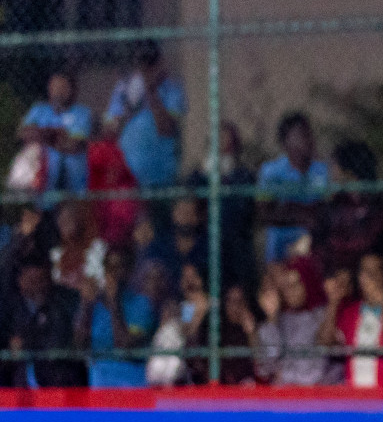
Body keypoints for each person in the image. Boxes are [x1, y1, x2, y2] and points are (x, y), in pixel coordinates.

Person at [184, 120, 258, 292]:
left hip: (236, 247)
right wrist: (206, 174)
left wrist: (225, 178)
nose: (221, 145)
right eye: (216, 139)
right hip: (205, 245)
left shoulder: (243, 176)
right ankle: (191, 315)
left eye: (227, 140)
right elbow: (191, 207)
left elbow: (245, 211)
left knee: (237, 290)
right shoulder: (198, 177)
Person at [320, 254, 383, 387]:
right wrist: (333, 303)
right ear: (359, 278)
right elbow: (325, 344)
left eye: (376, 272)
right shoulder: (350, 312)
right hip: (358, 399)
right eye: (366, 272)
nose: (371, 278)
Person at [104, 40, 186, 191]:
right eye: (140, 63)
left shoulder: (172, 88)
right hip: (126, 177)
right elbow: (110, 130)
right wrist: (130, 103)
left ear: (160, 62)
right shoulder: (123, 88)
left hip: (159, 176)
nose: (144, 69)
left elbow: (166, 129)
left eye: (150, 62)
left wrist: (151, 91)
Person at [256, 111, 331, 262]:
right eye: (300, 135)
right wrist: (301, 216)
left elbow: (327, 207)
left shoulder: (322, 170)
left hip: (314, 245)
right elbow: (264, 212)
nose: (308, 140)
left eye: (308, 134)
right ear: (285, 141)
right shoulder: (271, 171)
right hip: (281, 247)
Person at [6, 251, 87, 388]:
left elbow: (58, 345)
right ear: (20, 281)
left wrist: (25, 342)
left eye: (42, 280)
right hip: (21, 390)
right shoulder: (10, 308)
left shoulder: (62, 305)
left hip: (57, 386)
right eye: (32, 281)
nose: (38, 286)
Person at [316, 141, 383, 277]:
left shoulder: (379, 204)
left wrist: (334, 247)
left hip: (368, 272)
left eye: (335, 166)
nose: (332, 171)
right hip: (336, 273)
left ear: (349, 170)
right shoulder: (336, 204)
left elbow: (367, 243)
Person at [81, 246, 155, 388]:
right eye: (110, 268)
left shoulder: (141, 304)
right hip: (100, 385)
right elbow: (79, 345)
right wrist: (86, 305)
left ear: (129, 271)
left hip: (131, 385)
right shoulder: (95, 305)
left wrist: (114, 303)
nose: (114, 274)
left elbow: (126, 345)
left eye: (118, 267)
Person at [254, 258, 330, 386]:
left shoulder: (321, 315)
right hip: (284, 397)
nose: (290, 292)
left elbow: (319, 368)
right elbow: (267, 366)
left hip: (313, 395)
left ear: (307, 283)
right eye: (286, 286)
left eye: (296, 285)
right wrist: (272, 319)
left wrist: (284, 375)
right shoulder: (279, 319)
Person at [18, 70, 92, 198]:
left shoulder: (82, 113)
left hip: (72, 184)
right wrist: (56, 136)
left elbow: (74, 145)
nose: (58, 92)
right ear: (49, 89)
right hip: (40, 181)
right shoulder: (39, 110)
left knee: (67, 214)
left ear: (71, 90)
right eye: (55, 87)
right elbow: (23, 134)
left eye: (63, 87)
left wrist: (41, 135)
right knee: (31, 213)